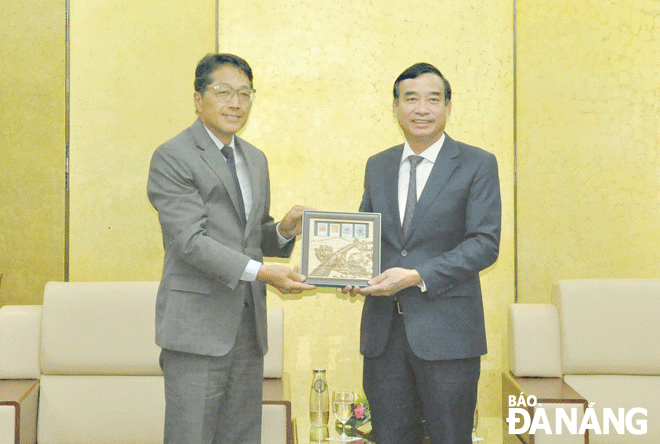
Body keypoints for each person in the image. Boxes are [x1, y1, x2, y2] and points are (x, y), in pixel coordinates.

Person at [147, 53, 315, 444]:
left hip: (247, 328)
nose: (235, 103)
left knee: (241, 437)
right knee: (193, 435)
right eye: (223, 92)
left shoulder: (254, 159)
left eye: (244, 93)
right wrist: (264, 272)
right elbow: (189, 241)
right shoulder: (173, 156)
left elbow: (251, 236)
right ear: (197, 98)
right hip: (197, 329)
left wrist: (285, 231)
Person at [341, 62, 501, 444]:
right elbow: (368, 238)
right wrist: (349, 273)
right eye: (410, 99)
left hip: (448, 335)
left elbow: (484, 243)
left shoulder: (478, 163)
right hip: (384, 336)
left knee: (450, 437)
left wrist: (415, 275)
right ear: (395, 108)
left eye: (433, 99)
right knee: (390, 437)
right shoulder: (377, 165)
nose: (422, 109)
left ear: (448, 107)